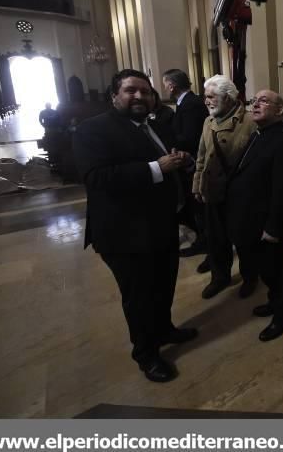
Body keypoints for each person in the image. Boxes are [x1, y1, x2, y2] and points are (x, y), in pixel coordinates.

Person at [73, 69, 198, 383]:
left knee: (164, 284)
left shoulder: (153, 126)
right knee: (140, 295)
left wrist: (181, 160)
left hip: (162, 224)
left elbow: (167, 162)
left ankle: (165, 328)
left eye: (145, 91)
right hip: (124, 232)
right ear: (115, 95)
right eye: (131, 91)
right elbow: (97, 178)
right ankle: (146, 353)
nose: (140, 97)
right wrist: (157, 167)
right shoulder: (93, 129)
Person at [226, 89, 283, 341]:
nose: (255, 104)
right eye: (254, 101)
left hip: (270, 224)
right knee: (268, 271)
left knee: (279, 272)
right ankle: (274, 303)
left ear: (279, 111)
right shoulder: (260, 135)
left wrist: (273, 228)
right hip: (252, 219)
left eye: (264, 101)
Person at [193, 75, 257, 299]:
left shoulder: (250, 122)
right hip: (212, 191)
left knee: (243, 240)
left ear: (229, 98)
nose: (207, 101)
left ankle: (250, 278)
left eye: (212, 97)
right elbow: (201, 156)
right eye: (205, 97)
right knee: (216, 239)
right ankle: (220, 277)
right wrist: (197, 184)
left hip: (238, 195)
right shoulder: (208, 121)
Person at [162, 68, 209, 260]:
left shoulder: (191, 104)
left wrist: (166, 142)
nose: (165, 89)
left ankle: (206, 244)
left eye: (165, 85)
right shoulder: (185, 103)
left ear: (172, 86)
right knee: (193, 208)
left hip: (194, 162)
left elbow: (190, 137)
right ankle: (202, 240)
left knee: (199, 208)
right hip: (188, 161)